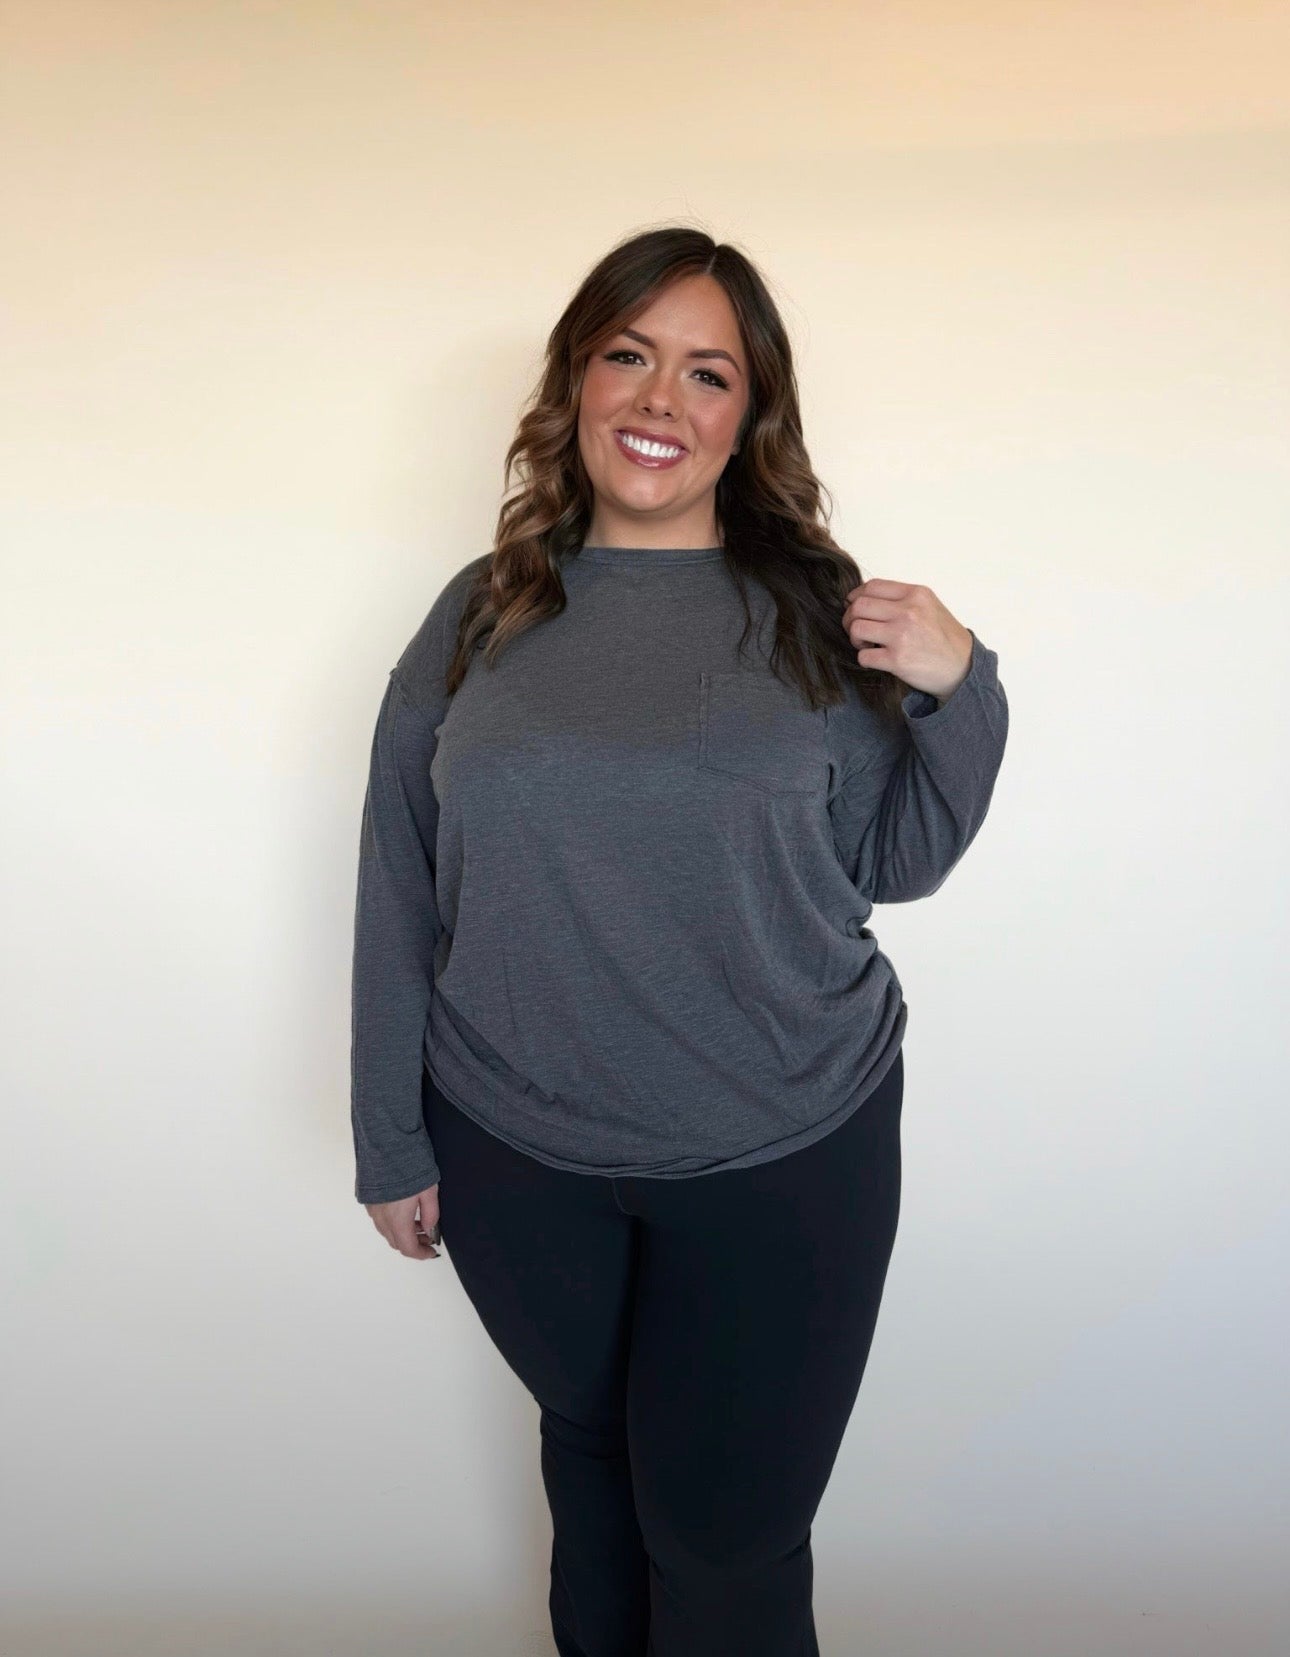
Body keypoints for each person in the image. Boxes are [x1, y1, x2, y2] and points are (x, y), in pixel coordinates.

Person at [349, 224, 1009, 1657]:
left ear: (746, 418)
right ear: (576, 382)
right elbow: (399, 869)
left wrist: (969, 690)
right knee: (591, 1472)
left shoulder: (810, 615)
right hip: (517, 1156)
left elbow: (895, 861)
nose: (660, 400)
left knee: (723, 1539)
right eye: (628, 356)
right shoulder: (481, 610)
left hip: (780, 1148)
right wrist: (387, 1134)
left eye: (706, 373)